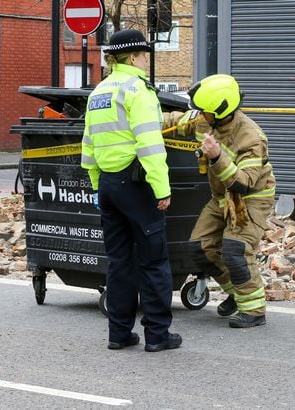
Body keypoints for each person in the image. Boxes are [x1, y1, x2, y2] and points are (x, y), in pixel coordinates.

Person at [81, 29, 182, 352]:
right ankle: (157, 335)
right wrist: (162, 188)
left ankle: (119, 333)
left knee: (119, 262)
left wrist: (98, 185)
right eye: (144, 54)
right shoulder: (137, 89)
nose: (145, 59)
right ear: (135, 56)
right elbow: (150, 143)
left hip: (109, 186)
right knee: (153, 261)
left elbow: (88, 144)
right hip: (136, 186)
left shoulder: (99, 91)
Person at [165, 74, 276, 328]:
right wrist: (139, 122)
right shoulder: (207, 120)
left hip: (249, 199)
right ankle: (238, 293)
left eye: (205, 112)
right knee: (200, 248)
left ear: (221, 111)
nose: (200, 116)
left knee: (235, 250)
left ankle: (254, 310)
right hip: (221, 197)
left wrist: (216, 157)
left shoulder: (251, 138)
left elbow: (243, 182)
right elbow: (174, 121)